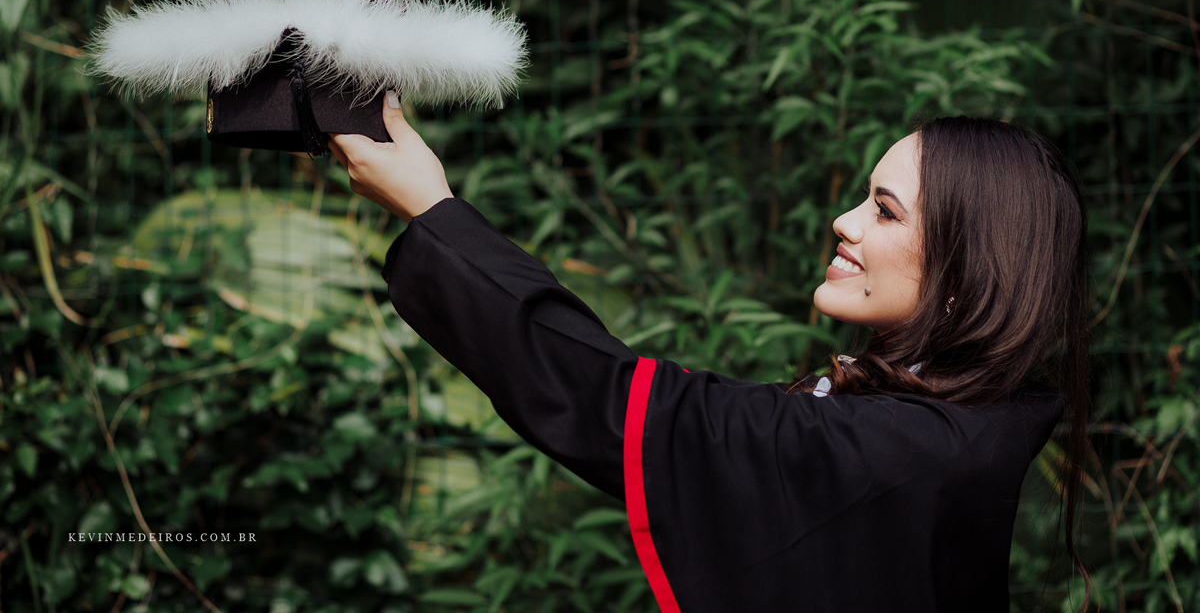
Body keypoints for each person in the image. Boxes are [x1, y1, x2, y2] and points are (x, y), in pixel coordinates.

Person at [328, 92, 1091, 613]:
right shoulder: (960, 421)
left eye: (884, 212)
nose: (843, 221)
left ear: (967, 273)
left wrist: (432, 209)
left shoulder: (901, 450)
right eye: (864, 197)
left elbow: (627, 407)